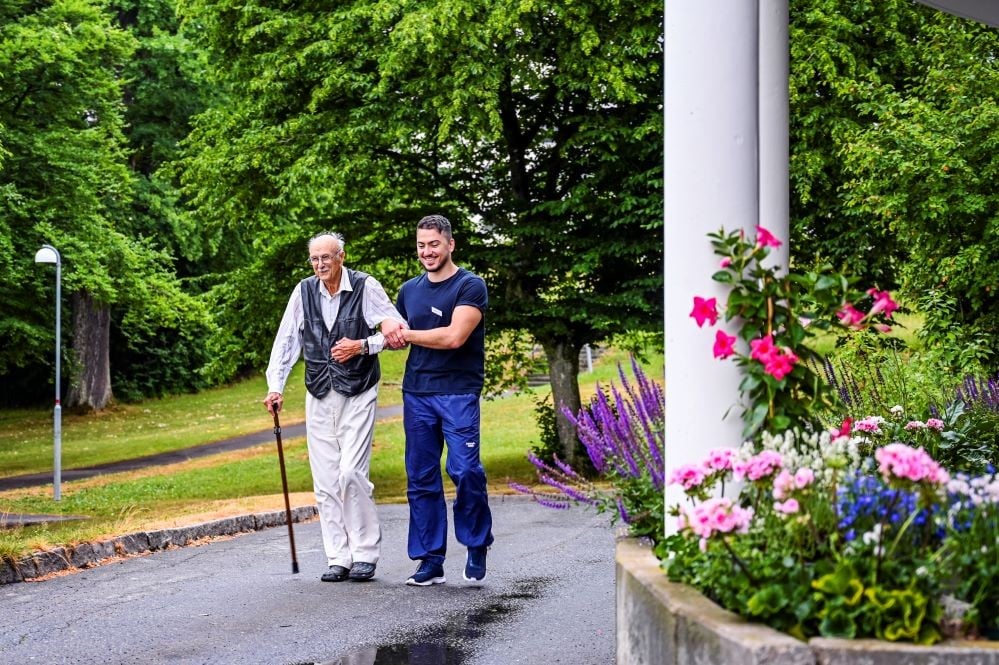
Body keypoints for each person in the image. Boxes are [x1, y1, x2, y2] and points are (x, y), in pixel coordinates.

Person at [264, 232, 405, 583]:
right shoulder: (303, 291)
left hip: (358, 390)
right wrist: (275, 386)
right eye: (314, 259)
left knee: (351, 473)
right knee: (326, 479)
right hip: (319, 392)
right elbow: (287, 341)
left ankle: (365, 554)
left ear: (341, 256)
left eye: (326, 257)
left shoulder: (365, 286)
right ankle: (338, 557)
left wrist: (362, 345)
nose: (320, 265)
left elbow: (396, 332)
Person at [384, 214, 494, 586]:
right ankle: (430, 559)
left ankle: (476, 541)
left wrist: (407, 334)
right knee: (421, 477)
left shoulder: (470, 285)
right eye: (421, 245)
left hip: (458, 391)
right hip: (417, 391)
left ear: (450, 244)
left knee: (465, 470)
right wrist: (386, 329)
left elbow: (453, 337)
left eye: (434, 244)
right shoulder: (408, 290)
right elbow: (393, 332)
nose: (427, 251)